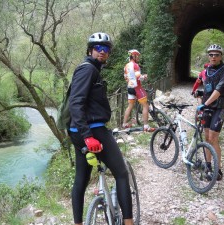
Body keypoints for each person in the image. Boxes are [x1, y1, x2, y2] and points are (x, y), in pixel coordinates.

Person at [68, 32, 133, 225]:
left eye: (106, 49)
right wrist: (88, 136)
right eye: (98, 48)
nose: (102, 52)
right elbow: (76, 103)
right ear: (90, 50)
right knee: (121, 174)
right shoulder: (88, 70)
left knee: (82, 178)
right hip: (92, 131)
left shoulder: (91, 70)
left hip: (77, 132)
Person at [196, 44, 224, 181]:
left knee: (213, 137)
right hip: (207, 107)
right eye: (211, 54)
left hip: (219, 106)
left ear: (220, 56)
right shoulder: (208, 70)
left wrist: (205, 104)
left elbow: (218, 90)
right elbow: (208, 89)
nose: (213, 57)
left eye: (216, 54)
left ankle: (218, 169)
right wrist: (199, 93)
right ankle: (208, 166)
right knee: (206, 137)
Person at [122, 49, 155, 132]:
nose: (138, 58)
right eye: (137, 56)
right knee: (145, 105)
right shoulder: (135, 65)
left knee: (130, 105)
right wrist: (144, 76)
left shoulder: (126, 66)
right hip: (137, 87)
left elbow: (125, 77)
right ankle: (146, 126)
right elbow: (138, 76)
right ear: (134, 56)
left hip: (129, 87)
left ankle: (124, 124)